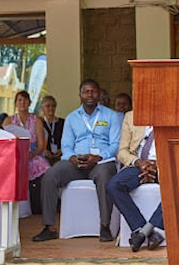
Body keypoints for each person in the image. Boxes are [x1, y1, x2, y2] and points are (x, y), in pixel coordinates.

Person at [33, 79, 122, 243]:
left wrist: (98, 157)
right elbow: (66, 146)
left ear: (99, 93)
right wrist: (72, 158)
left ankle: (105, 226)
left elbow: (116, 144)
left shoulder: (111, 116)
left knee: (105, 175)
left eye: (93, 91)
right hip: (77, 162)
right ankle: (49, 227)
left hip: (101, 161)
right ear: (80, 95)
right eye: (86, 91)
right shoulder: (72, 118)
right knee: (50, 176)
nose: (90, 94)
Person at [106, 110, 164, 252]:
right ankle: (143, 230)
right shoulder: (131, 116)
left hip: (164, 165)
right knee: (114, 185)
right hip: (138, 164)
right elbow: (122, 151)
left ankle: (144, 232)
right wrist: (139, 162)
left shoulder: (171, 114)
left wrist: (157, 165)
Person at [3, 91, 50, 182]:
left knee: (45, 170)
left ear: (30, 103)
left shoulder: (37, 120)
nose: (22, 102)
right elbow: (4, 142)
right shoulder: (8, 120)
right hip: (14, 155)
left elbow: (41, 144)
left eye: (25, 100)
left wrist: (33, 154)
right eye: (19, 100)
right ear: (15, 103)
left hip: (32, 154)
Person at [40, 95, 65, 165]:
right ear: (42, 107)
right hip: (44, 157)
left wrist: (62, 149)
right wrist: (43, 150)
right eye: (48, 106)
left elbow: (68, 139)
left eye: (53, 106)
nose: (51, 108)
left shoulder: (63, 122)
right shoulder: (38, 123)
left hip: (60, 156)